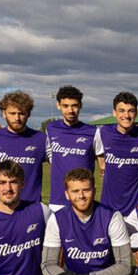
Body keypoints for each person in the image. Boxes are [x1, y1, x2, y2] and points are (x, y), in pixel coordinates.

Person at [0, 91, 49, 209]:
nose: (17, 118)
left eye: (21, 113)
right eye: (12, 113)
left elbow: (62, 165)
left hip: (30, 209)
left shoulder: (41, 139)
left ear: (28, 113)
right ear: (4, 113)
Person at [95, 92, 138, 217]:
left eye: (131, 111)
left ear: (136, 113)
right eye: (121, 111)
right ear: (114, 112)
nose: (126, 115)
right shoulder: (103, 132)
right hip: (110, 205)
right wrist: (104, 167)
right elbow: (98, 154)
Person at [45, 85, 98, 213]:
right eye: (65, 106)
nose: (70, 110)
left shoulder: (93, 132)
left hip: (83, 199)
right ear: (58, 105)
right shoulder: (51, 129)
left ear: (80, 105)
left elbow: (104, 160)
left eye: (74, 105)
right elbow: (48, 154)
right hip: (57, 200)